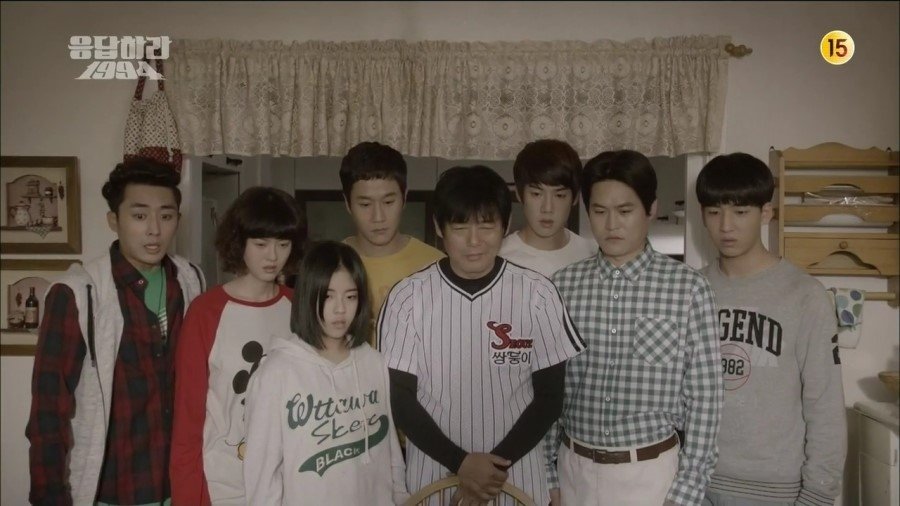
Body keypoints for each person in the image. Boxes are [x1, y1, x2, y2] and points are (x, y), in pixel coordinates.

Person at [379, 165, 586, 505]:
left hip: (517, 479)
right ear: (439, 227)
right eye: (460, 227)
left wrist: (489, 471)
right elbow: (400, 399)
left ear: (505, 225)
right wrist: (461, 464)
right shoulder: (407, 297)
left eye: (487, 226)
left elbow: (549, 398)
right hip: (434, 479)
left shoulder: (538, 294)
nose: (474, 241)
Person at [545, 150, 722, 506]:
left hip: (652, 475)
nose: (611, 225)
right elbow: (548, 390)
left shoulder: (688, 288)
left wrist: (685, 492)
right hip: (573, 469)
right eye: (599, 211)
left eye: (625, 211)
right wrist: (548, 474)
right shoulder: (561, 286)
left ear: (651, 209)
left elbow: (706, 398)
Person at [26, 158, 205, 506]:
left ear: (178, 220)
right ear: (114, 220)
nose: (154, 230)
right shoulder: (78, 293)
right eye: (139, 216)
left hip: (180, 485)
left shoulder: (190, 280)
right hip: (112, 490)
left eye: (166, 216)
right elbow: (48, 411)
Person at [696, 153, 846, 506]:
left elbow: (825, 405)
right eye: (714, 212)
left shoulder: (805, 295)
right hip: (694, 484)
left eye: (740, 212)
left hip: (775, 491)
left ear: (766, 213)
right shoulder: (691, 290)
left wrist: (817, 495)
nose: (726, 226)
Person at [243, 240, 408, 506]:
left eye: (350, 297)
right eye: (328, 296)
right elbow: (262, 478)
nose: (340, 309)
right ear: (308, 296)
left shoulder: (372, 362)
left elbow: (390, 453)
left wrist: (400, 497)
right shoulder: (277, 373)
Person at [170, 187, 306, 505]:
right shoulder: (206, 312)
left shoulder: (300, 308)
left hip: (289, 483)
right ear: (239, 242)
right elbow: (188, 417)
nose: (273, 256)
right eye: (261, 244)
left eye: (283, 244)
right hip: (224, 484)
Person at [340, 141, 444, 319]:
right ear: (347, 203)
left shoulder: (436, 266)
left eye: (388, 202)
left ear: (404, 197)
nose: (378, 217)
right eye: (365, 204)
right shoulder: (327, 266)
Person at [499, 139, 596, 277]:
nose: (547, 208)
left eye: (560, 195)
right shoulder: (499, 258)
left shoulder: (591, 254)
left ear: (574, 198)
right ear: (519, 195)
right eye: (536, 194)